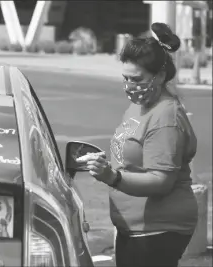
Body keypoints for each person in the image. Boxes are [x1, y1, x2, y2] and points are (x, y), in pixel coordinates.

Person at [76, 22, 198, 267]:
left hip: (158, 229)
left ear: (160, 76)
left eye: (136, 79)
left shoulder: (165, 117)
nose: (130, 85)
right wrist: (103, 166)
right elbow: (132, 160)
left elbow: (161, 181)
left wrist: (112, 177)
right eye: (125, 78)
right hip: (135, 228)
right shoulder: (139, 106)